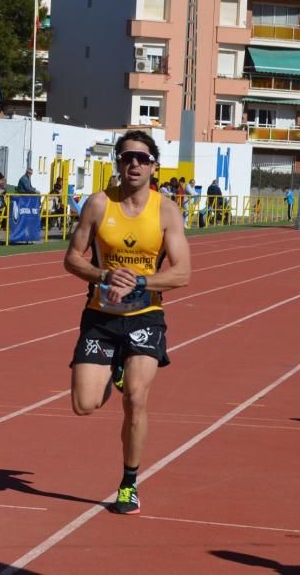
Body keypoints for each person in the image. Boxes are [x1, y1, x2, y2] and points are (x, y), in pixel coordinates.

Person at [63, 130, 191, 516]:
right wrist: (103, 276)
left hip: (145, 317)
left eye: (141, 158)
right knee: (84, 405)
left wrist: (139, 281)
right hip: (100, 317)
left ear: (154, 166)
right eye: (126, 158)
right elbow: (72, 258)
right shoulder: (99, 205)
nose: (133, 164)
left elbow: (182, 273)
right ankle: (114, 368)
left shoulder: (166, 211)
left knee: (136, 397)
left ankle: (128, 484)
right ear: (117, 164)